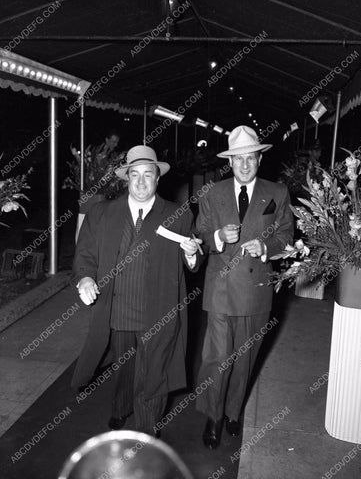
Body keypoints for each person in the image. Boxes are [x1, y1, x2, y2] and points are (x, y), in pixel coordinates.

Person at [72, 145, 203, 436]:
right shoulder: (102, 213)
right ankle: (120, 408)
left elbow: (192, 261)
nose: (141, 182)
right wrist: (85, 279)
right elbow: (85, 255)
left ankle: (146, 431)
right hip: (116, 307)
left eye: (148, 174)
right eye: (135, 175)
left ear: (158, 179)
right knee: (124, 366)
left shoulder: (177, 214)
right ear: (126, 179)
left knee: (153, 371)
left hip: (158, 309)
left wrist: (192, 253)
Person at [195, 125, 293, 449]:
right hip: (220, 289)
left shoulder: (277, 193)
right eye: (239, 160)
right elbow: (201, 235)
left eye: (250, 158)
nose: (245, 165)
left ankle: (234, 412)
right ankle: (213, 416)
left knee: (245, 357)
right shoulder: (212, 192)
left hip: (256, 288)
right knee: (217, 357)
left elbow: (286, 237)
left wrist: (265, 248)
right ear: (230, 162)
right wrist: (220, 237)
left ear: (259, 159)